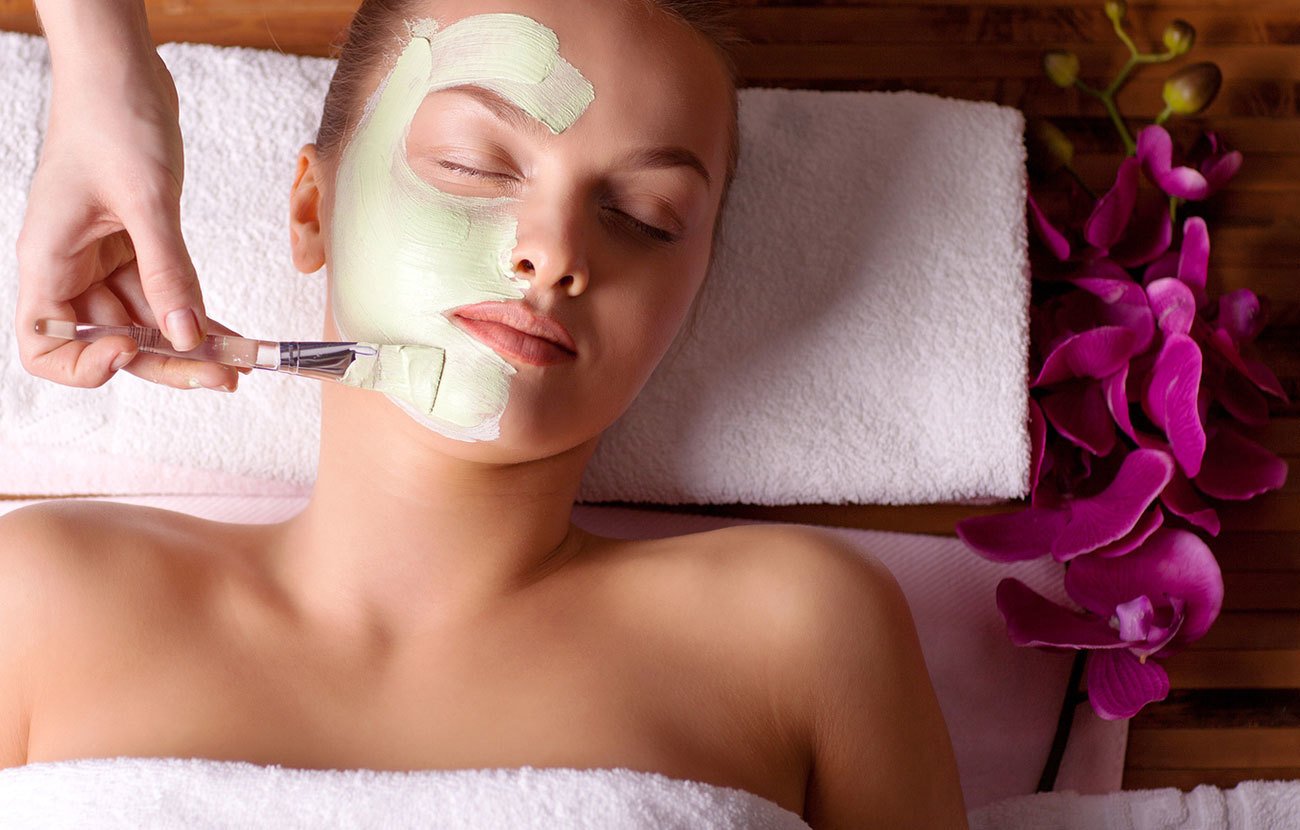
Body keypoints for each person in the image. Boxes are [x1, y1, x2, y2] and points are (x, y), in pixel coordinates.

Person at [1, 0, 969, 827]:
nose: (553, 251)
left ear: (694, 291)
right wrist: (102, 77)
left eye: (644, 216)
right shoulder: (41, 595)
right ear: (310, 210)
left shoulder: (797, 631)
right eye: (472, 165)